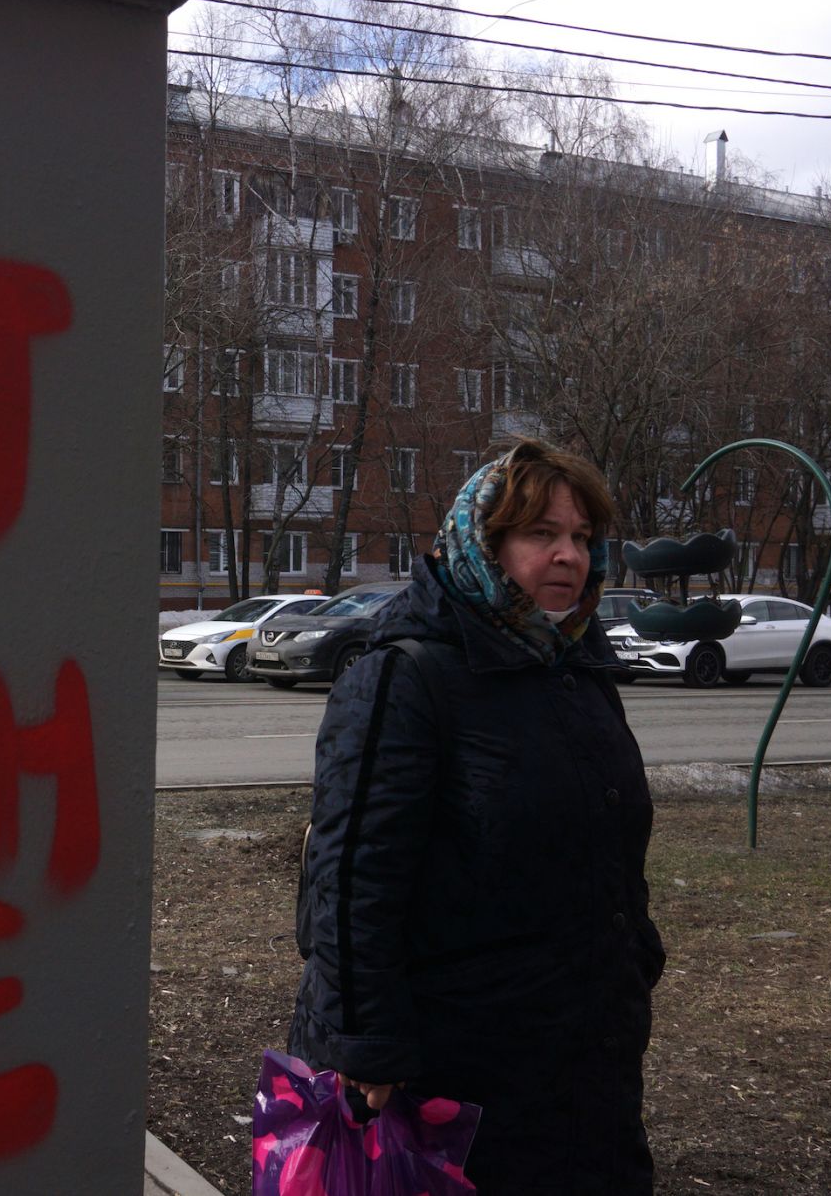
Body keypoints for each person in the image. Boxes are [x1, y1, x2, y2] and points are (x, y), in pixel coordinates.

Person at [290, 440, 663, 1193]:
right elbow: (354, 873)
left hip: (585, 1051)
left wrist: (636, 955)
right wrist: (366, 1042)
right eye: (541, 535)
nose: (568, 556)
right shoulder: (405, 673)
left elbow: (611, 840)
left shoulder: (575, 667)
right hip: (452, 1069)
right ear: (481, 544)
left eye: (582, 539)